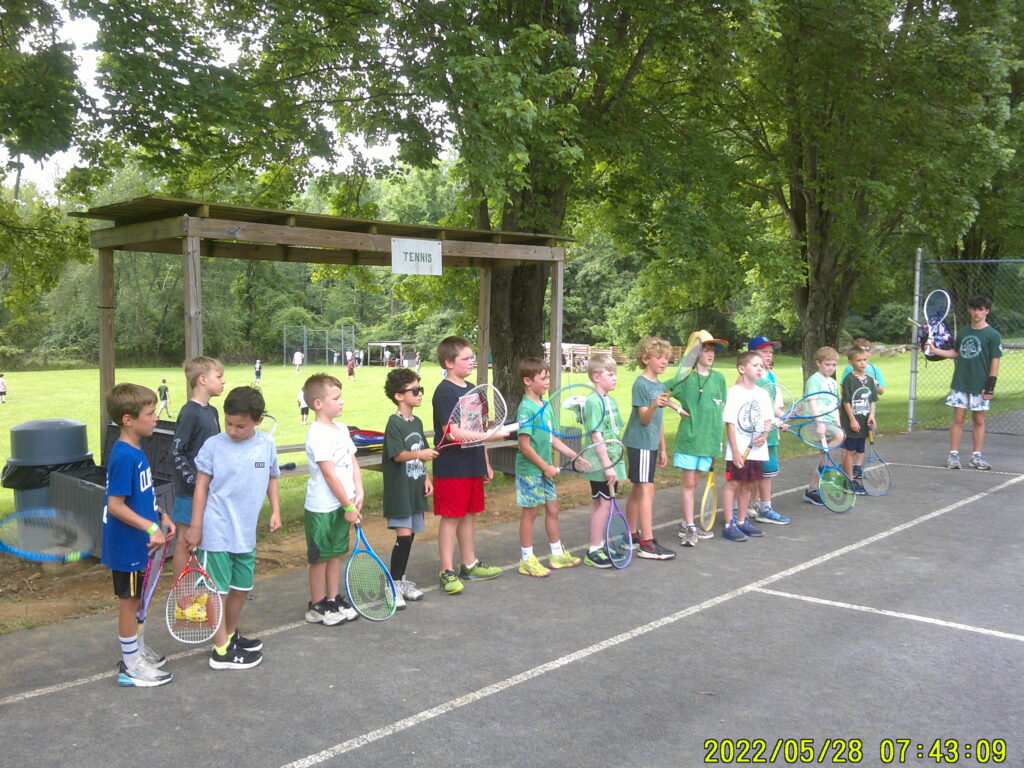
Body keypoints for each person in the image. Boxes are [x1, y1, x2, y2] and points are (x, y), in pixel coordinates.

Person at [183, 386, 281, 669]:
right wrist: (195, 526)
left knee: (240, 588)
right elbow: (201, 487)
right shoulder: (213, 445)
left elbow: (271, 476)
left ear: (258, 421)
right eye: (228, 424)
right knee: (218, 591)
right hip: (216, 529)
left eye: (241, 426)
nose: (233, 431)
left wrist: (276, 510)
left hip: (245, 532)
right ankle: (221, 651)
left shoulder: (266, 445)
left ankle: (229, 634)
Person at [103, 383, 174, 687]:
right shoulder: (124, 456)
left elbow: (141, 495)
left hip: (140, 544)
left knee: (140, 601)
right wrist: (150, 527)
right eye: (150, 413)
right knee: (130, 603)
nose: (156, 417)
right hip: (127, 546)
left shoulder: (136, 450)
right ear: (128, 420)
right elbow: (115, 505)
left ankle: (138, 652)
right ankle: (131, 666)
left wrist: (160, 515)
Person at [431, 336, 503, 595]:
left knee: (469, 514)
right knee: (451, 517)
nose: (471, 362)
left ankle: (469, 564)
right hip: (452, 466)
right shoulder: (444, 392)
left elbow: (477, 427)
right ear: (449, 363)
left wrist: (485, 462)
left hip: (473, 462)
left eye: (471, 357)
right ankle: (447, 571)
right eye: (466, 358)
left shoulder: (474, 390)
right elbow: (452, 432)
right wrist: (489, 435)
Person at [513, 357, 582, 577]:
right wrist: (545, 467)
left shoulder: (545, 405)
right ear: (527, 381)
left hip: (545, 469)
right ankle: (527, 559)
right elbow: (525, 446)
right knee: (530, 513)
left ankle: (557, 554)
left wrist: (573, 455)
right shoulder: (525, 409)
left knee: (553, 508)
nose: (547, 382)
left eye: (548, 377)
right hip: (530, 470)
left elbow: (552, 438)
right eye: (543, 378)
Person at [302, 373, 361, 625]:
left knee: (336, 553)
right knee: (320, 557)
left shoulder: (342, 429)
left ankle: (333, 598)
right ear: (318, 404)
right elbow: (328, 474)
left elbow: (352, 461)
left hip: (343, 505)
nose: (341, 402)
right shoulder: (317, 434)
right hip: (321, 508)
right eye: (335, 398)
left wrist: (358, 491)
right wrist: (348, 504)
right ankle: (317, 605)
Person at [382, 368, 438, 607]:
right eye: (414, 390)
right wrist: (420, 454)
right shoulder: (394, 423)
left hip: (414, 487)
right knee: (403, 538)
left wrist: (426, 477)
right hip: (400, 490)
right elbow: (398, 455)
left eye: (420, 389)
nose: (420, 394)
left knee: (411, 536)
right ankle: (392, 585)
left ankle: (401, 581)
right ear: (399, 396)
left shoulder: (417, 422)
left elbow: (420, 454)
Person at [927, 294, 1002, 470]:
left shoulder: (993, 335)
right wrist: (935, 350)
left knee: (978, 419)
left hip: (980, 385)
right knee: (958, 418)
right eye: (974, 309)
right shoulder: (963, 332)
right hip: (961, 383)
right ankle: (953, 456)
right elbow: (956, 353)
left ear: (987, 311)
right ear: (969, 310)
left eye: (980, 309)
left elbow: (995, 362)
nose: (977, 313)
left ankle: (976, 457)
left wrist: (989, 387)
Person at [667, 330, 728, 547]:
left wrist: (717, 441)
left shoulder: (719, 379)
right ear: (695, 353)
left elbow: (719, 411)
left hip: (708, 441)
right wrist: (676, 408)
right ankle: (689, 526)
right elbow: (660, 392)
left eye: (713, 350)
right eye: (705, 350)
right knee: (688, 482)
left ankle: (687, 523)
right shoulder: (685, 378)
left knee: (695, 481)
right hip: (689, 439)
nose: (710, 354)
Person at [170, 356, 225, 586]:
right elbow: (176, 452)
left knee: (205, 540)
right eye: (219, 377)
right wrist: (195, 482)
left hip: (211, 491)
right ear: (202, 379)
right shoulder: (189, 412)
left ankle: (202, 588)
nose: (223, 381)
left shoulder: (212, 412)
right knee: (185, 541)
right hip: (189, 493)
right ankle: (182, 594)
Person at [622, 335, 676, 560]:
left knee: (638, 488)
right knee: (647, 489)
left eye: (666, 358)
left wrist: (662, 448)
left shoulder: (660, 385)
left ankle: (630, 534)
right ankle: (647, 542)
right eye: (659, 357)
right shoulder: (641, 384)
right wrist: (654, 404)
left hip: (651, 444)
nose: (664, 361)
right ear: (645, 359)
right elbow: (645, 419)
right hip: (639, 443)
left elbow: (658, 421)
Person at [720, 351, 772, 542]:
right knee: (733, 483)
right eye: (755, 365)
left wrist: (764, 434)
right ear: (742, 369)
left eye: (761, 366)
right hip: (739, 449)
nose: (759, 369)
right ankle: (729, 524)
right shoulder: (734, 393)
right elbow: (730, 423)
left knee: (749, 484)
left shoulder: (763, 394)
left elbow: (768, 420)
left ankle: (742, 521)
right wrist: (735, 451)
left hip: (756, 451)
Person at [581, 354, 625, 568]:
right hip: (601, 463)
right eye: (610, 374)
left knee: (602, 504)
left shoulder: (610, 400)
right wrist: (608, 466)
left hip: (612, 461)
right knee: (604, 504)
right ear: (596, 377)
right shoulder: (593, 401)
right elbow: (596, 436)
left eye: (615, 374)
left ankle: (599, 544)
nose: (615, 378)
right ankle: (594, 549)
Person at [747, 336, 790, 525]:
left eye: (770, 352)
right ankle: (749, 507)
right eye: (764, 351)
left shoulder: (772, 377)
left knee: (767, 472)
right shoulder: (749, 379)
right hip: (754, 434)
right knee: (751, 473)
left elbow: (774, 407)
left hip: (770, 434)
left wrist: (783, 418)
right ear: (752, 354)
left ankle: (762, 506)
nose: (768, 355)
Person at [802, 346, 840, 506]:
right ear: (818, 363)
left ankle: (812, 489)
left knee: (825, 454)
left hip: (830, 421)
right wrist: (818, 423)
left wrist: (838, 422)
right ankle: (825, 469)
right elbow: (812, 402)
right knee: (839, 437)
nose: (831, 368)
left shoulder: (833, 382)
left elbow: (834, 404)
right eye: (827, 364)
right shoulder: (814, 380)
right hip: (818, 421)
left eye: (833, 365)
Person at [839, 346, 878, 493]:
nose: (862, 363)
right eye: (858, 360)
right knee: (850, 450)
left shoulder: (870, 380)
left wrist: (871, 415)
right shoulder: (849, 379)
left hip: (864, 421)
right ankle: (848, 481)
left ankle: (846, 476)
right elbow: (846, 401)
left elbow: (872, 400)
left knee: (858, 449)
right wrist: (852, 420)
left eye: (864, 360)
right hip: (853, 421)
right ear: (850, 362)